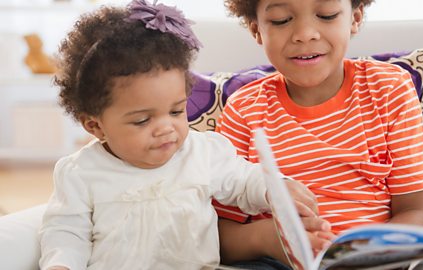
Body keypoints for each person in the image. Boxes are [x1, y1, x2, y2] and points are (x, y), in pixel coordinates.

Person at [38, 1, 323, 270]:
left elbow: (244, 180)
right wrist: (61, 263)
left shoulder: (202, 152)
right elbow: (65, 232)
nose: (166, 128)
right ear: (95, 126)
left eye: (176, 111)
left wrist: (274, 188)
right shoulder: (80, 172)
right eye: (142, 120)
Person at [215, 0, 423, 268]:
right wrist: (268, 239)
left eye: (327, 15)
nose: (305, 33)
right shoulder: (243, 109)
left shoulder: (390, 89)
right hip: (272, 261)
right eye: (281, 20)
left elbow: (417, 212)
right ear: (256, 30)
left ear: (355, 18)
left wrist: (360, 255)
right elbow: (218, 234)